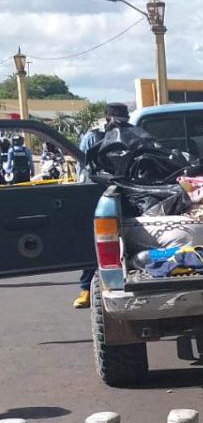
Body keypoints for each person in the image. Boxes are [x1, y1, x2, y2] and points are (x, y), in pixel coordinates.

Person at [73, 103, 131, 309]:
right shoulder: (93, 137)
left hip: (129, 195)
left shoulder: (133, 134)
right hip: (99, 196)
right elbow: (84, 171)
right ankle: (86, 289)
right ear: (107, 119)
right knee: (96, 244)